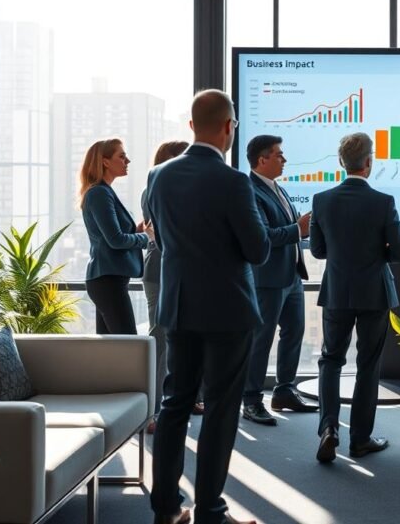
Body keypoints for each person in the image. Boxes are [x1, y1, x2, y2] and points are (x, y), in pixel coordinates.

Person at [147, 90, 268, 524]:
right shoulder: (234, 181)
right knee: (219, 409)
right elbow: (258, 251)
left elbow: (161, 239)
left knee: (174, 404)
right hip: (228, 311)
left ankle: (166, 510)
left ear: (192, 126)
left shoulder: (158, 176)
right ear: (228, 127)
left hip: (179, 307)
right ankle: (210, 513)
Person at [310, 132, 400, 463]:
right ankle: (360, 439)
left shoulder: (321, 200)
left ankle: (329, 429)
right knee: (368, 364)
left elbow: (318, 250)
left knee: (330, 360)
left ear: (342, 162)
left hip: (337, 291)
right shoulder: (383, 202)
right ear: (369, 162)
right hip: (374, 293)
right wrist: (378, 251)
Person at [241, 135, 318, 427]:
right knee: (261, 340)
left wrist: (303, 229)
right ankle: (251, 400)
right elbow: (264, 237)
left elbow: (291, 230)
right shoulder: (250, 192)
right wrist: (298, 229)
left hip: (291, 276)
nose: (284, 159)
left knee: (294, 332)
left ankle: (284, 391)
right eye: (278, 155)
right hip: (268, 280)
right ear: (262, 160)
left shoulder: (278, 188)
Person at [141, 140, 202, 435]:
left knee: (189, 336)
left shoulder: (186, 191)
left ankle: (190, 397)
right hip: (159, 271)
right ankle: (152, 412)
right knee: (160, 338)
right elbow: (163, 234)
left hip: (184, 271)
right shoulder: (153, 190)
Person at [79, 138, 150, 335]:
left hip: (108, 280)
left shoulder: (103, 192)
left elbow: (112, 236)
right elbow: (116, 240)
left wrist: (137, 231)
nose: (127, 161)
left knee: (113, 346)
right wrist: (146, 237)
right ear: (105, 162)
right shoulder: (100, 193)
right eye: (122, 156)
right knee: (128, 343)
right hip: (107, 281)